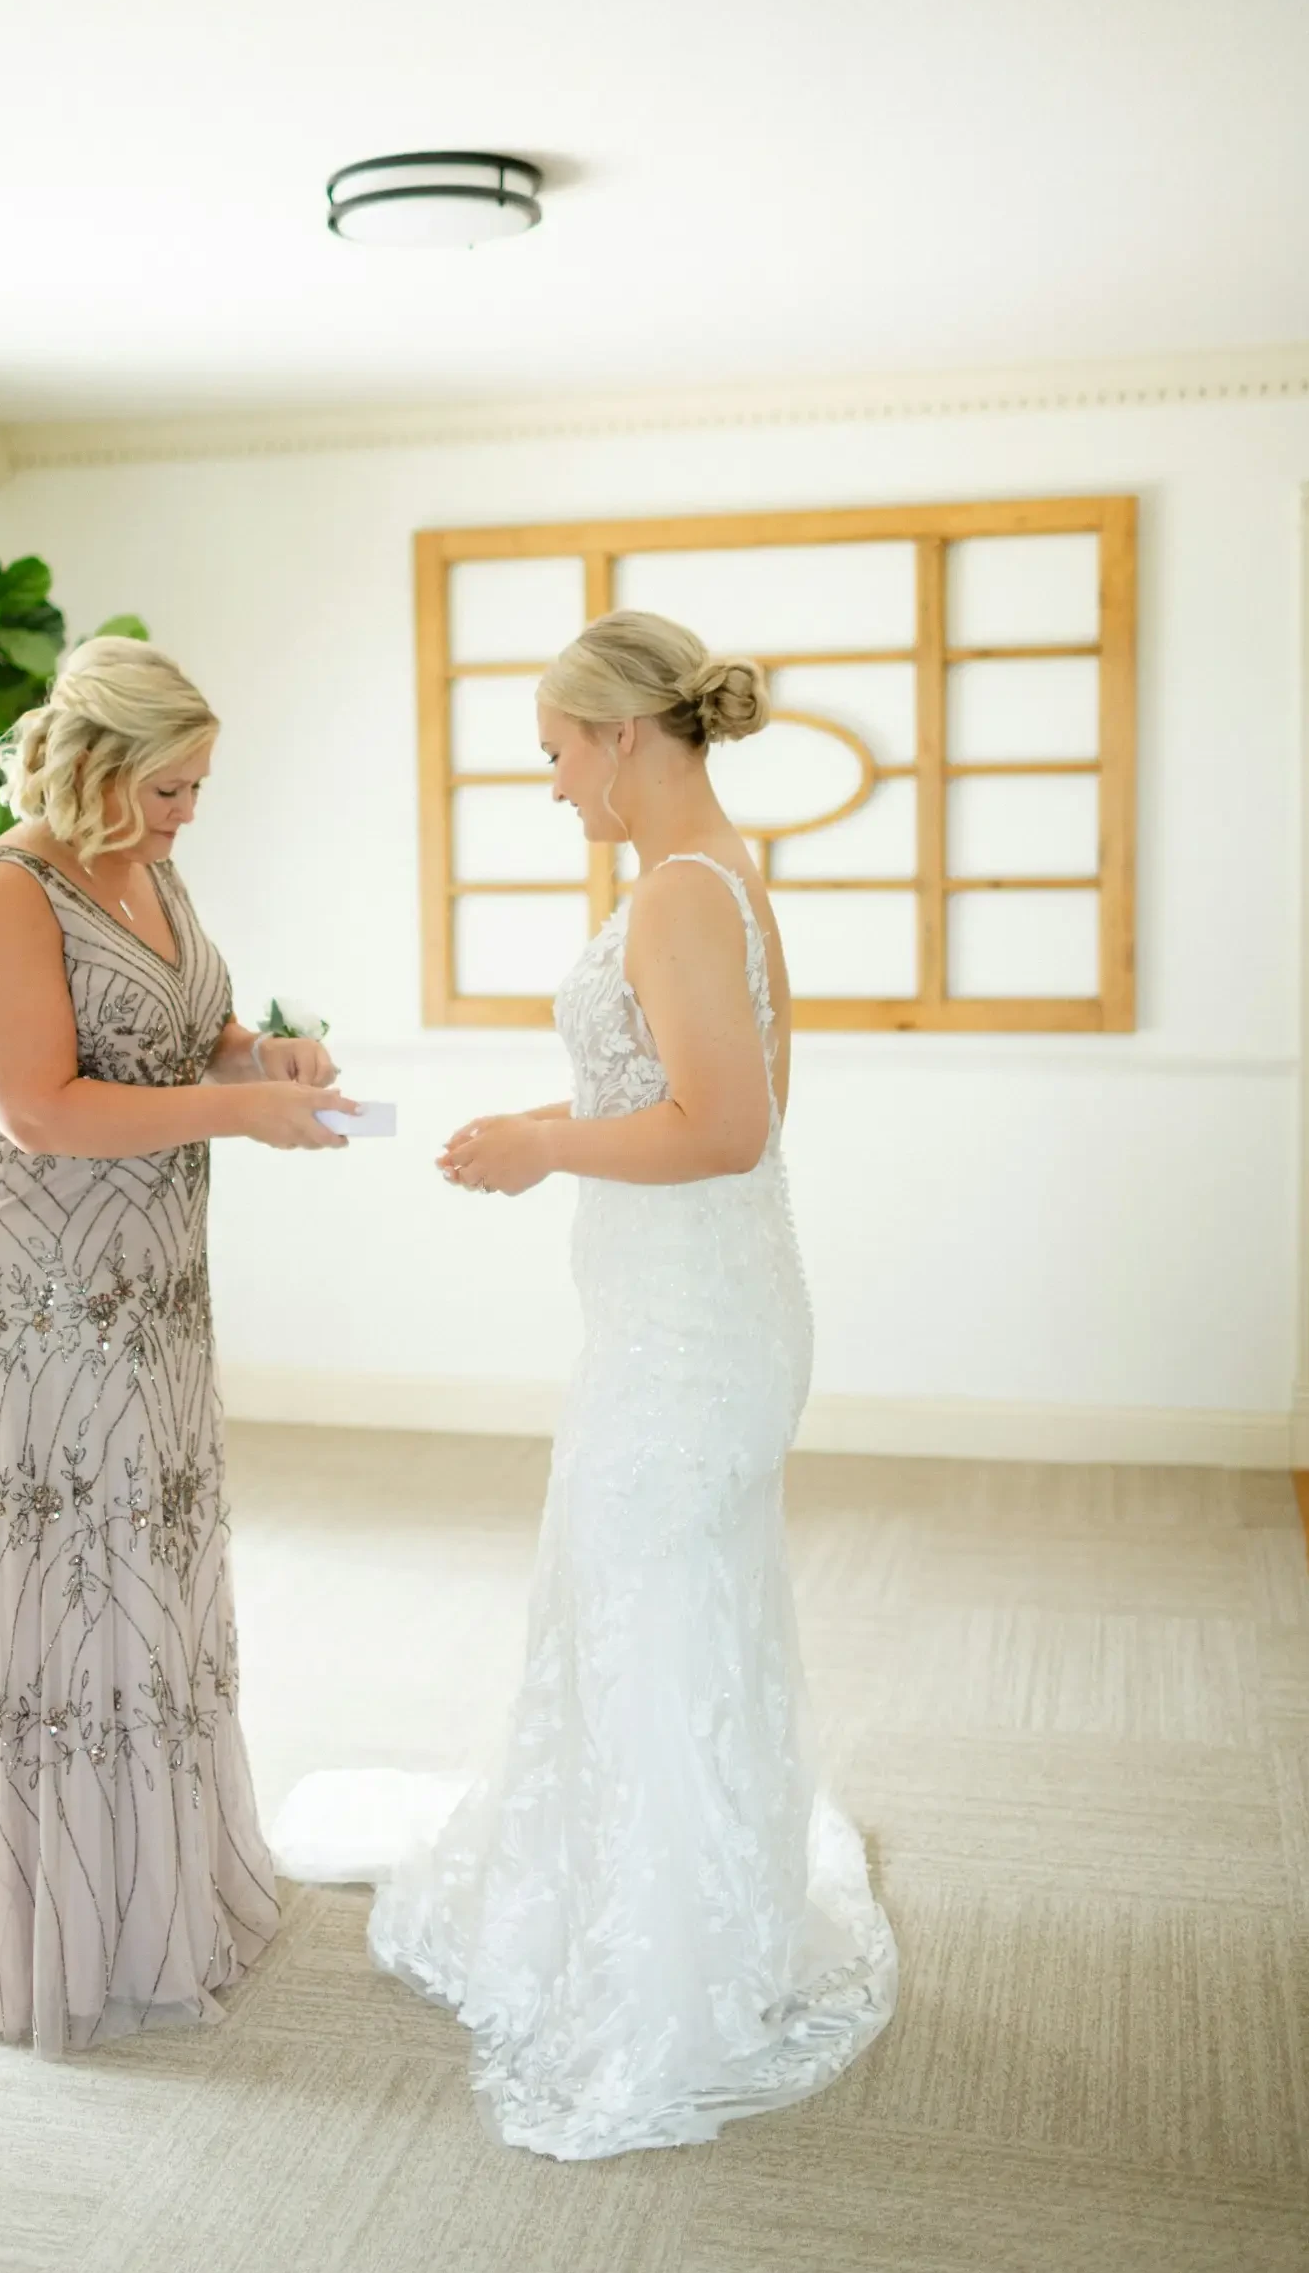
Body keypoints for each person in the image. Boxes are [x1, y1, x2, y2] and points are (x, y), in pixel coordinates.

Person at [281, 609, 897, 2158]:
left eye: (558, 752)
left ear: (624, 736)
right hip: (690, 1313)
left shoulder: (685, 894)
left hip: (692, 1336)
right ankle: (692, 1903)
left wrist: (549, 1145)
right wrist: (540, 1120)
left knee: (651, 1608)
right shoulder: (705, 880)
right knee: (656, 1607)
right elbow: (673, 1091)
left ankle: (678, 1965)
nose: (553, 783)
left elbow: (727, 1126)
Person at [0, 636, 355, 2055]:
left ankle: (160, 1891)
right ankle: (58, 1927)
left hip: (154, 1281)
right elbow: (43, 1105)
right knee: (65, 1582)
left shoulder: (145, 867)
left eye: (196, 791)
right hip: (40, 1292)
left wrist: (258, 1059)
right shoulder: (0, 893)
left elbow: (179, 1031)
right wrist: (238, 1115)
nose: (188, 815)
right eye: (171, 788)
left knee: (146, 1573)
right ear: (98, 765)